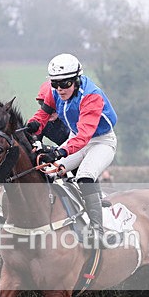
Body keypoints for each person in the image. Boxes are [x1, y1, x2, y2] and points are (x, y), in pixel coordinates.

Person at [25, 53, 117, 248]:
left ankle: (98, 231)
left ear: (76, 80)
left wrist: (59, 152)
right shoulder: (54, 90)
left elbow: (83, 136)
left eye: (65, 84)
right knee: (48, 170)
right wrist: (33, 125)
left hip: (101, 142)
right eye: (56, 84)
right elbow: (44, 113)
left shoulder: (91, 96)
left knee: (84, 176)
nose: (59, 89)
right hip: (76, 138)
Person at [34, 80, 70, 146]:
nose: (48, 111)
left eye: (53, 106)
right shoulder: (41, 122)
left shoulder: (73, 116)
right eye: (42, 104)